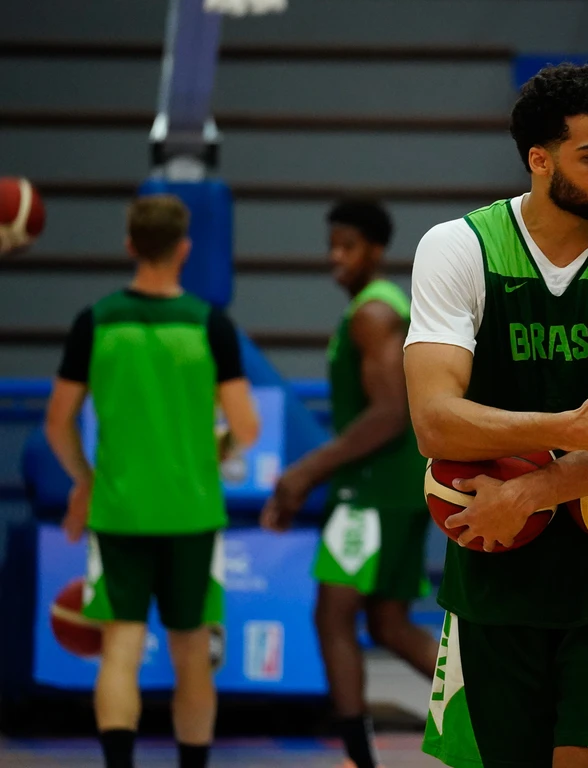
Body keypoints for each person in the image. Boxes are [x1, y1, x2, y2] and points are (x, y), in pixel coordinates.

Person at [404, 62, 588, 768]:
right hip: (493, 568)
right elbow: (435, 423)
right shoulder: (459, 248)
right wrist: (569, 428)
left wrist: (536, 488)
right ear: (540, 161)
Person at [43, 194, 260, 768]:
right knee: (192, 651)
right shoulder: (210, 325)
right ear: (184, 249)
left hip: (119, 512)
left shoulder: (95, 321)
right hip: (191, 513)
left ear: (129, 245)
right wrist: (220, 444)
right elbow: (247, 427)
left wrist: (84, 479)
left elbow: (57, 422)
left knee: (120, 648)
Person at [260, 200, 437, 768]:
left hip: (372, 491)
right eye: (332, 245)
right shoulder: (382, 308)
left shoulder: (373, 314)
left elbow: (389, 412)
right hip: (399, 486)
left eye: (349, 246)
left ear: (377, 251)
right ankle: (504, 709)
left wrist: (307, 469)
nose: (336, 257)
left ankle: (358, 760)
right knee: (387, 624)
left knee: (332, 615)